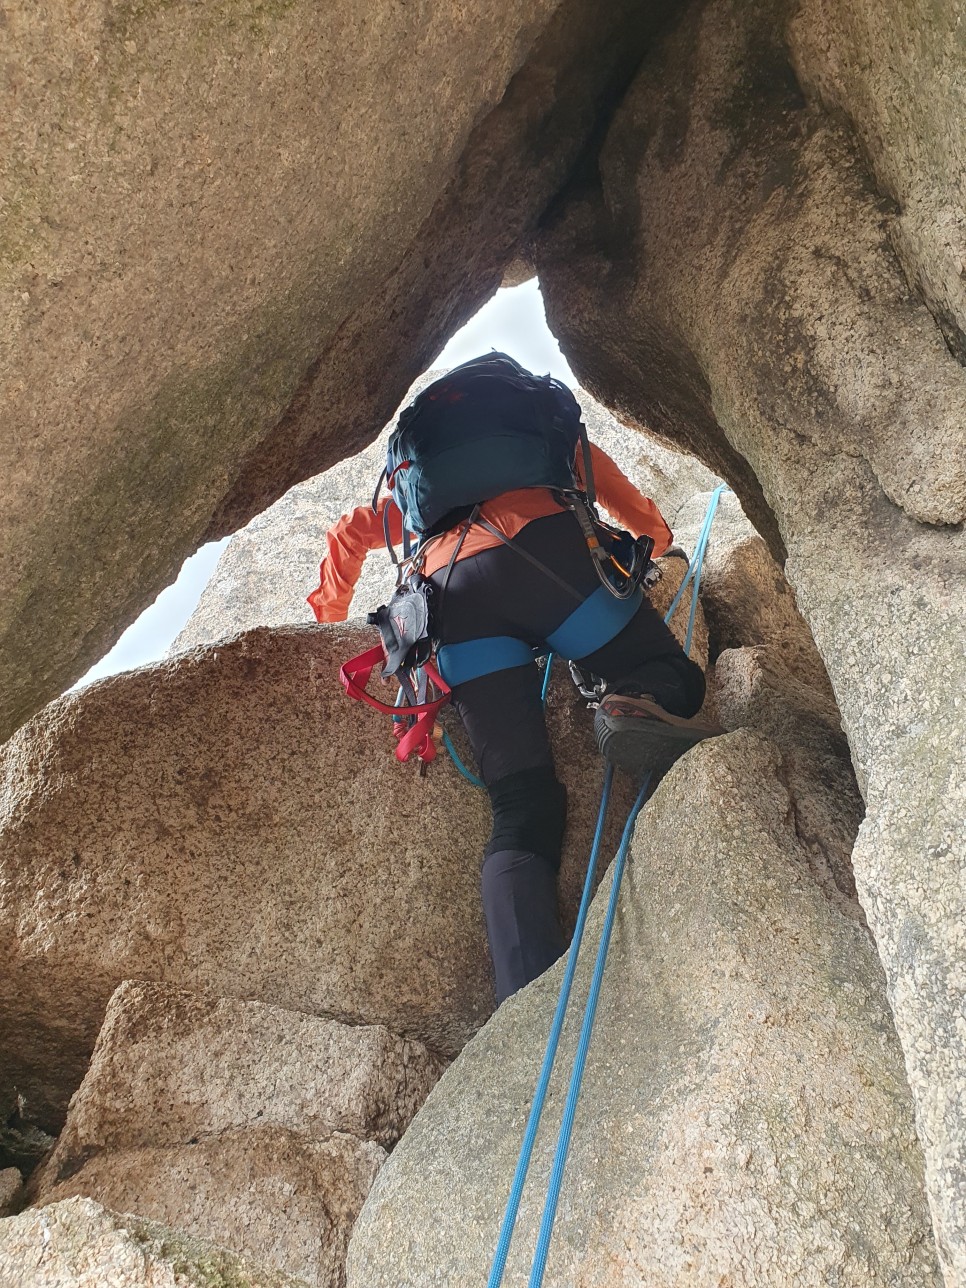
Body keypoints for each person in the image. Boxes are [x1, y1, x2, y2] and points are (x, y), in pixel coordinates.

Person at [308, 358, 713, 1004]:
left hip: (449, 600)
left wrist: (328, 622)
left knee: (522, 807)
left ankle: (523, 1001)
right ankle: (629, 700)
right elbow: (611, 489)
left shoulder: (421, 497)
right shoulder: (542, 445)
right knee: (670, 676)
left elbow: (350, 533)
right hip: (549, 554)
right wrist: (659, 542)